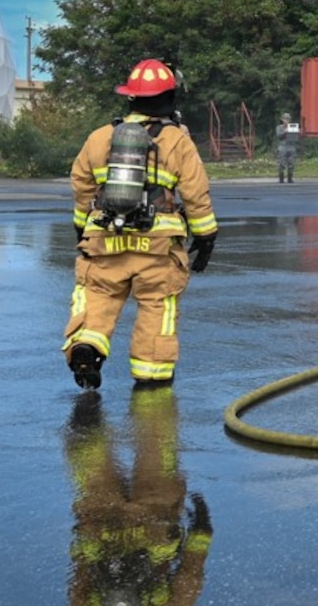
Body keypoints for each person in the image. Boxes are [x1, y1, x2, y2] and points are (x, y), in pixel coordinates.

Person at [63, 59, 220, 390]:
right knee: (156, 305)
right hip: (157, 245)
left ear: (130, 98)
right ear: (169, 99)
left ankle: (87, 346)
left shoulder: (100, 137)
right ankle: (152, 374)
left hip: (105, 239)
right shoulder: (177, 140)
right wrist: (206, 235)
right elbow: (194, 190)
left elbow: (81, 183)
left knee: (98, 296)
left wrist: (83, 227)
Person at [64, 383, 212, 606]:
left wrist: (201, 532)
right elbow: (78, 576)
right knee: (92, 476)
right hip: (101, 528)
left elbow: (190, 577)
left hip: (155, 525)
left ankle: (154, 404)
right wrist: (85, 540)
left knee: (159, 452)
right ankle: (87, 430)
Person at [274, 111, 301, 183]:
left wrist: (297, 132)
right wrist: (285, 131)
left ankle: (290, 178)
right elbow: (279, 136)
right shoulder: (279, 127)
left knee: (291, 163)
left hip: (291, 146)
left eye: (288, 119)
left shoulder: (292, 126)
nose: (287, 120)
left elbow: (296, 138)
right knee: (281, 163)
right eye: (285, 119)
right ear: (282, 119)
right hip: (283, 146)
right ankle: (281, 178)